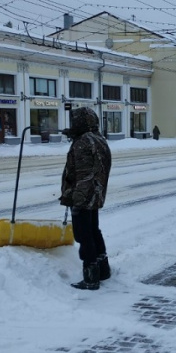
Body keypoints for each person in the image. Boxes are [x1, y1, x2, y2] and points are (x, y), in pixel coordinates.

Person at [59, 107, 113, 291]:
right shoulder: (98, 139)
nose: (73, 124)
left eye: (75, 121)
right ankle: (103, 270)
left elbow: (83, 174)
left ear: (82, 122)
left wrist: (76, 200)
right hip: (96, 194)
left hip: (84, 196)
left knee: (84, 235)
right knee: (94, 231)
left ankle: (90, 278)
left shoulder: (83, 142)